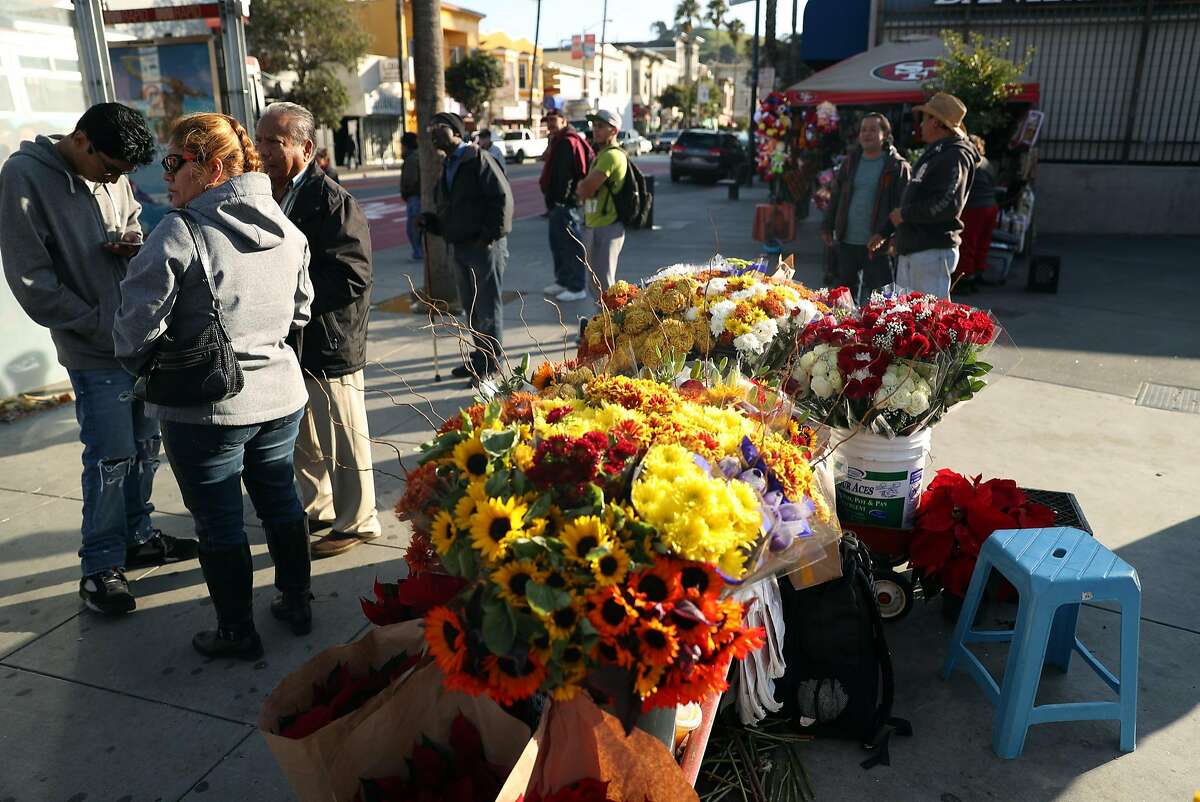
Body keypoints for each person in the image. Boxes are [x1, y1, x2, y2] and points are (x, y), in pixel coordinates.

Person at [113, 112, 313, 658]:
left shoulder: (180, 231)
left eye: (175, 163)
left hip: (206, 410)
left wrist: (151, 361)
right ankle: (297, 601)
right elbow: (301, 312)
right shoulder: (287, 229)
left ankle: (235, 632)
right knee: (281, 503)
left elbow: (134, 333)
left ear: (214, 167)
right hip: (279, 395)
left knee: (220, 522)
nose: (166, 176)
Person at [0, 102, 197, 616]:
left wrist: (133, 241)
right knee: (110, 458)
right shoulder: (23, 177)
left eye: (121, 175)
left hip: (139, 339)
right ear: (82, 140)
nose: (113, 179)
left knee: (145, 448)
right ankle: (101, 567)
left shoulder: (114, 176)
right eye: (109, 168)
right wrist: (97, 321)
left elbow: (131, 216)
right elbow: (31, 282)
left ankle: (138, 536)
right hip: (94, 350)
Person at [255, 102, 382, 559]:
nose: (263, 150)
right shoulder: (268, 193)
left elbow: (352, 274)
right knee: (303, 435)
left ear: (306, 148)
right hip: (292, 341)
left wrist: (294, 301)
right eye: (260, 139)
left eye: (275, 142)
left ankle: (359, 519)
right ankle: (319, 506)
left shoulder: (331, 199)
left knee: (344, 434)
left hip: (329, 339)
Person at [419, 111, 513, 385]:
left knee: (487, 306)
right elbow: (453, 211)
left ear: (457, 132)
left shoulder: (478, 159)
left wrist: (489, 236)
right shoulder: (448, 165)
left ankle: (492, 363)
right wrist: (432, 223)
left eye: (440, 127)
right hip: (460, 246)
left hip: (484, 247)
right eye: (430, 128)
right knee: (471, 307)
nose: (433, 132)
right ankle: (480, 357)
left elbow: (502, 199)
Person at [884, 93, 977, 298]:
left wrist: (906, 215)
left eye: (925, 119)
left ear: (936, 123)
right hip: (917, 248)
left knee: (929, 320)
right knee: (909, 319)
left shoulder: (956, 154)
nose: (921, 124)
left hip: (930, 250)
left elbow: (948, 204)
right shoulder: (940, 151)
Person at [821, 113, 910, 304]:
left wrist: (891, 236)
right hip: (847, 241)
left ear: (885, 134)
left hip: (878, 244)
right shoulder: (850, 162)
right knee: (844, 301)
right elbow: (836, 196)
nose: (866, 134)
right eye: (863, 130)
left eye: (872, 129)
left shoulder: (896, 166)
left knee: (882, 303)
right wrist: (827, 226)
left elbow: (903, 206)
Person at [539, 109, 592, 303]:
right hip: (555, 203)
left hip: (565, 203)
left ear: (564, 120)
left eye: (554, 120)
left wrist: (564, 198)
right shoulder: (556, 140)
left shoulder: (568, 141)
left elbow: (571, 174)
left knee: (571, 245)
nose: (551, 124)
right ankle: (563, 280)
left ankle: (577, 286)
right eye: (549, 121)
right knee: (558, 244)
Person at [576, 109, 628, 294]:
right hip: (597, 225)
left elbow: (586, 189)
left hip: (606, 227)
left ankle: (611, 323)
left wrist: (581, 187)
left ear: (613, 130)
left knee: (604, 285)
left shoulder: (610, 156)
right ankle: (604, 322)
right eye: (594, 126)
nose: (595, 130)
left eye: (600, 126)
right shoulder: (602, 154)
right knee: (596, 283)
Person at [956, 134, 1000, 293]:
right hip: (991, 207)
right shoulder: (986, 163)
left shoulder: (968, 162)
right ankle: (977, 274)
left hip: (975, 207)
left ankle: (965, 280)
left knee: (968, 243)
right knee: (982, 242)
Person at [400, 132, 423, 262]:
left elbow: (411, 180)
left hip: (414, 196)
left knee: (413, 228)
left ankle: (418, 252)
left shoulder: (412, 158)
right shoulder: (415, 156)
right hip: (415, 196)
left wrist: (406, 191)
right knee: (415, 227)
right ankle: (418, 252)